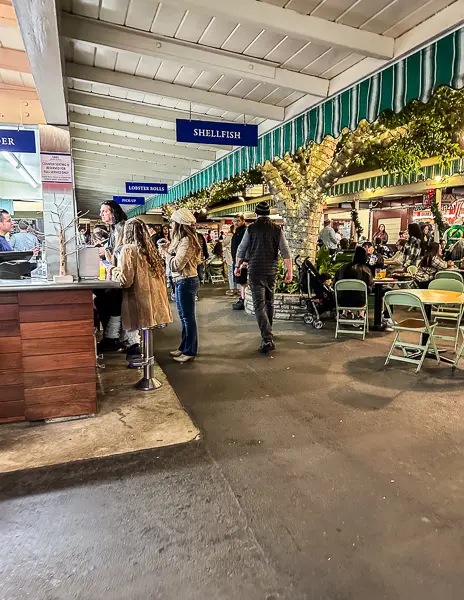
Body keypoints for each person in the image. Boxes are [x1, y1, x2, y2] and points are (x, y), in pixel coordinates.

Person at [236, 201, 292, 354]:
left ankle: (267, 339)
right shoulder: (277, 229)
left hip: (255, 270)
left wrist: (237, 267)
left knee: (259, 305)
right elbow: (285, 251)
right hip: (271, 271)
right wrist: (290, 271)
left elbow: (241, 249)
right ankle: (268, 333)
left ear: (256, 214)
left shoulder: (251, 229)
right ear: (269, 214)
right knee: (269, 302)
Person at [113, 218, 172, 357]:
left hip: (138, 301)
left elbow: (125, 281)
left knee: (139, 335)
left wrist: (114, 271)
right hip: (155, 303)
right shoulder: (150, 249)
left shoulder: (128, 249)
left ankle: (146, 372)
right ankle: (148, 369)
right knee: (147, 337)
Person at [159, 208, 202, 363]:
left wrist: (166, 254)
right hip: (181, 281)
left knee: (188, 318)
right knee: (184, 318)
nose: (170, 225)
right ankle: (184, 347)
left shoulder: (187, 240)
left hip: (186, 281)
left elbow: (176, 264)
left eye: (173, 222)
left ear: (179, 223)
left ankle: (190, 351)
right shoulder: (180, 239)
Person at [231, 214, 248, 309]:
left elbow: (246, 247)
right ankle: (242, 298)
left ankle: (243, 300)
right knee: (241, 281)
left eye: (238, 221)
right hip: (237, 261)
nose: (236, 223)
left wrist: (245, 261)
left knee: (243, 281)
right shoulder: (238, 232)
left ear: (243, 221)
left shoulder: (244, 232)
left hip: (242, 261)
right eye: (234, 221)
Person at [223, 224, 236, 296]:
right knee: (238, 273)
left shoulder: (228, 237)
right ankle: (239, 289)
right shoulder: (238, 236)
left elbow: (223, 243)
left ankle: (232, 288)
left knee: (230, 273)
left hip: (230, 258)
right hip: (237, 258)